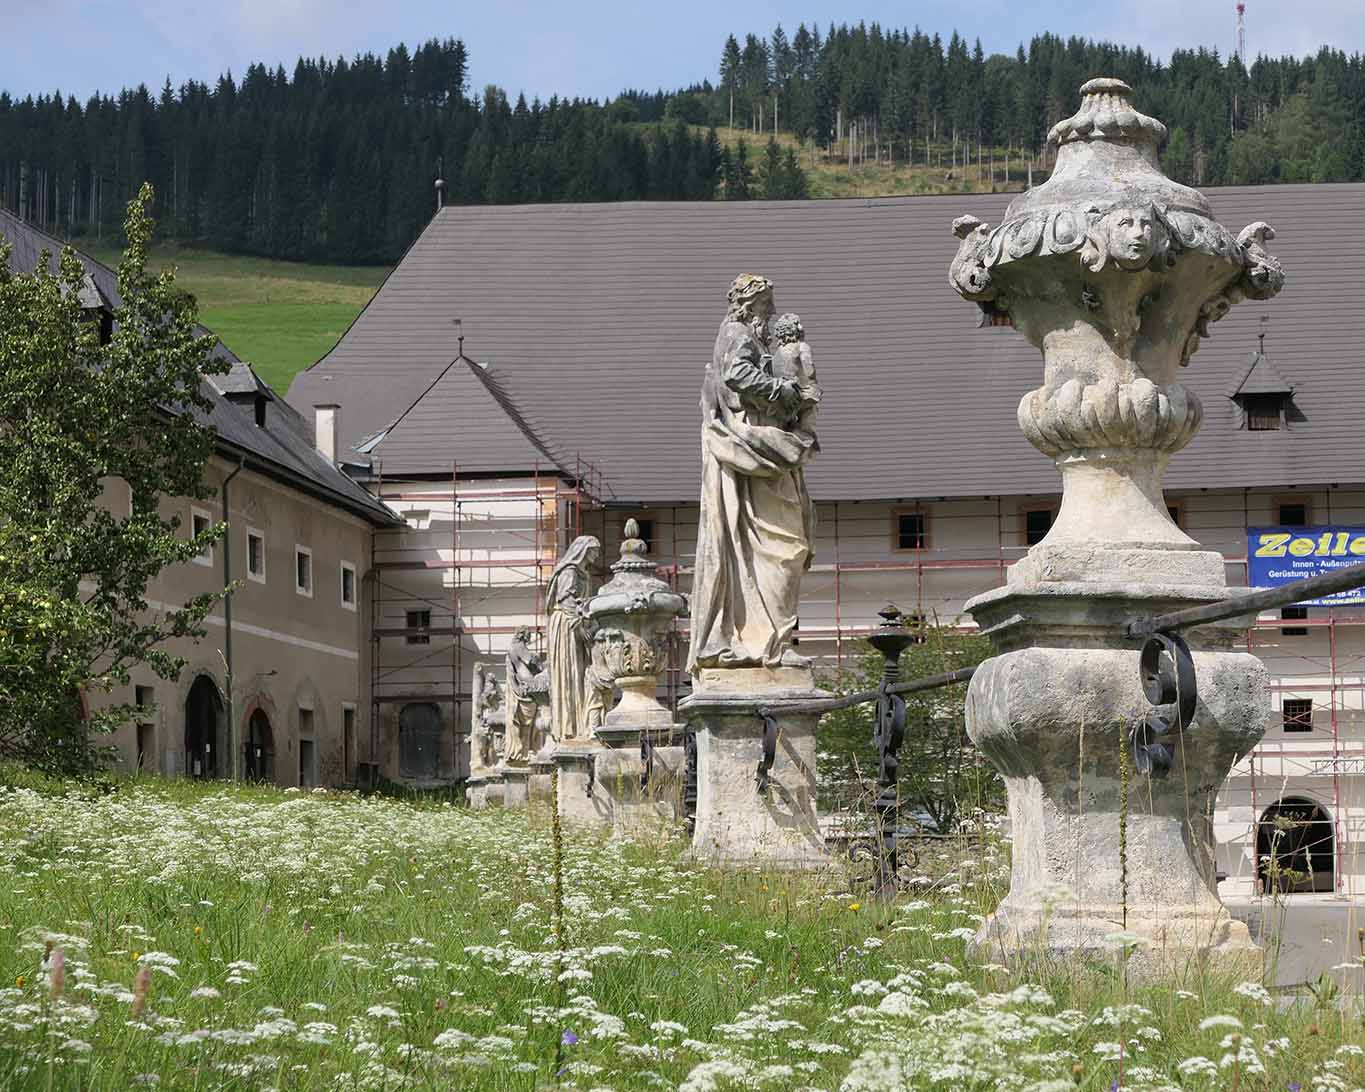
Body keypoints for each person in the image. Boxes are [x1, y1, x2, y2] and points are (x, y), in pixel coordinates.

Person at [687, 273, 818, 673]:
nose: (772, 313)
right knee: (786, 549)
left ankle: (773, 639)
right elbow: (735, 375)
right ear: (749, 306)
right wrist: (782, 390)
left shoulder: (751, 336)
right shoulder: (736, 332)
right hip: (753, 449)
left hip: (767, 450)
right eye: (767, 306)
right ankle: (769, 642)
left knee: (785, 549)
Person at [546, 535, 601, 741]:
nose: (596, 555)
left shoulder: (582, 572)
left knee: (577, 673)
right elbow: (567, 601)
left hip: (575, 622)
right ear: (584, 550)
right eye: (594, 550)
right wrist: (581, 627)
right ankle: (570, 726)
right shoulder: (569, 571)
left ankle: (579, 723)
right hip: (567, 625)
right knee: (570, 672)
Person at [503, 627, 543, 763]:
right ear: (523, 635)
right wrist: (538, 658)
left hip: (521, 683)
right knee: (529, 723)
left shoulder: (511, 648)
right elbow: (530, 660)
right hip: (527, 683)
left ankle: (524, 750)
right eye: (528, 635)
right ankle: (527, 750)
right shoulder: (519, 647)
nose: (530, 638)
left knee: (525, 724)